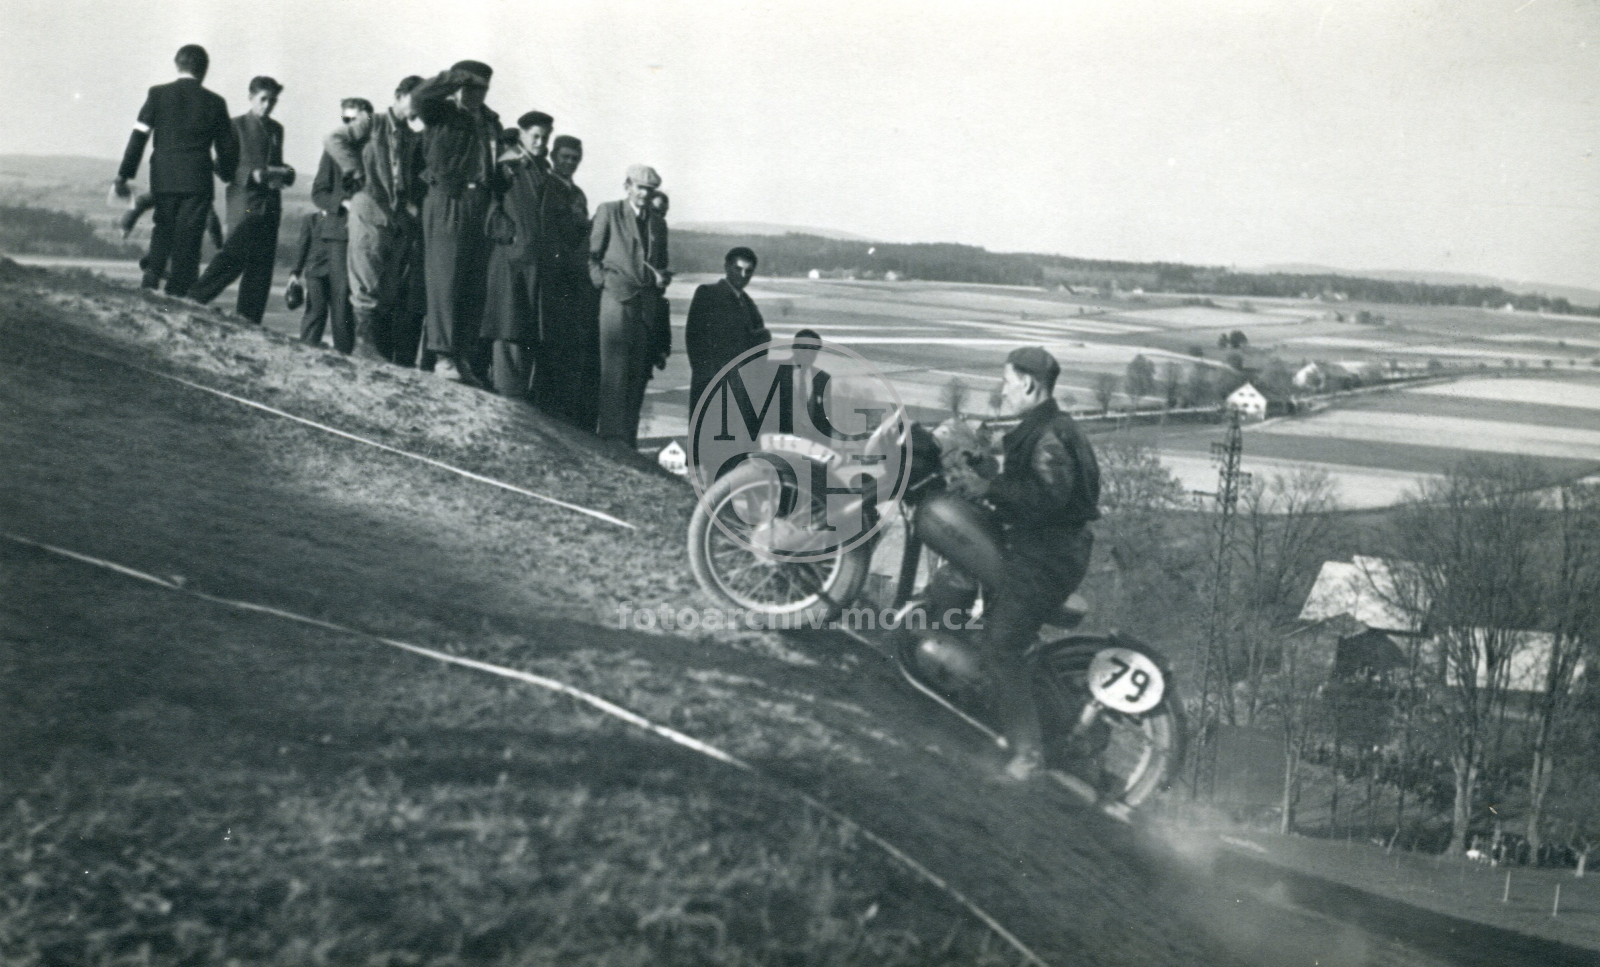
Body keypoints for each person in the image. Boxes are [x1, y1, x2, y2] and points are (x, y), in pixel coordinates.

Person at [915, 346, 1100, 783]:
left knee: (1002, 647)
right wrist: (986, 468)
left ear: (1030, 384)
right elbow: (1031, 483)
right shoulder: (1047, 427)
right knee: (960, 575)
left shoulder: (1052, 436)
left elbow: (1046, 498)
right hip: (1042, 548)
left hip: (1045, 557)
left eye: (1007, 382)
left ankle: (1027, 754)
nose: (1003, 390)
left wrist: (989, 489)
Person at [115, 44, 237, 297]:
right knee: (188, 239)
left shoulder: (157, 94)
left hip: (163, 175)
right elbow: (227, 149)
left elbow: (138, 136)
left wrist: (124, 174)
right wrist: (225, 173)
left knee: (163, 229)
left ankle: (149, 284)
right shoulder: (215, 103)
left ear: (177, 64)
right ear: (204, 70)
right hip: (197, 179)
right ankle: (177, 294)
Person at [411, 61, 502, 383]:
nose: (474, 93)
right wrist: (454, 78)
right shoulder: (441, 112)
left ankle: (461, 354)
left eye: (481, 87)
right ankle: (442, 355)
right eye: (469, 85)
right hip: (448, 197)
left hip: (480, 203)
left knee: (473, 284)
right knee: (445, 281)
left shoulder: (491, 122)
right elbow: (419, 96)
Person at [189, 76, 295, 323]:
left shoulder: (277, 129)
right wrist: (250, 175)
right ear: (251, 98)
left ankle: (249, 322)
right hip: (244, 204)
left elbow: (274, 165)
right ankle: (192, 299)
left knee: (261, 268)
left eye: (273, 101)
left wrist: (285, 173)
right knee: (233, 258)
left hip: (270, 207)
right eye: (263, 99)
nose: (268, 105)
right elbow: (221, 168)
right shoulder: (233, 126)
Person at [588, 165, 670, 447]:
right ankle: (611, 435)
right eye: (640, 187)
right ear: (627, 186)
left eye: (650, 189)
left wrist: (661, 278)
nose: (645, 194)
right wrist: (604, 283)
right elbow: (591, 255)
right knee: (614, 370)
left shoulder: (658, 223)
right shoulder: (609, 211)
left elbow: (661, 262)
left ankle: (628, 438)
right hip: (616, 300)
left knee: (636, 372)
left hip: (645, 305)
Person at [482, 111, 552, 398]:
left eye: (545, 137)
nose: (540, 142)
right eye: (535, 136)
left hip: (533, 261)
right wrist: (511, 236)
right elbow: (489, 206)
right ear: (521, 133)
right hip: (511, 260)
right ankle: (507, 395)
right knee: (508, 327)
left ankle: (517, 395)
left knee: (525, 329)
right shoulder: (506, 166)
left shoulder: (541, 168)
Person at [532, 134, 599, 428]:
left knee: (569, 342)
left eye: (574, 158)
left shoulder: (578, 194)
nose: (569, 163)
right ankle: (544, 403)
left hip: (575, 277)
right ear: (553, 157)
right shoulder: (545, 186)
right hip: (553, 272)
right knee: (549, 338)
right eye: (565, 157)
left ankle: (560, 406)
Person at [685, 246, 770, 419]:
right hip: (711, 382)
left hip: (739, 387)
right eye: (738, 269)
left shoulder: (749, 304)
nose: (743, 275)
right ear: (726, 267)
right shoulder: (707, 294)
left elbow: (760, 345)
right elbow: (694, 339)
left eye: (749, 271)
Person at [306, 104, 361, 353]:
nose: (350, 124)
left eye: (356, 119)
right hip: (340, 233)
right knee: (342, 298)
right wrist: (345, 203)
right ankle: (344, 354)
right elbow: (318, 192)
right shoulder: (332, 152)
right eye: (345, 119)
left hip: (369, 234)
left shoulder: (375, 150)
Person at [285, 209, 336, 346]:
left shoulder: (344, 219)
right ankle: (308, 344)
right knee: (316, 309)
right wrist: (295, 274)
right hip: (315, 272)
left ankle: (343, 350)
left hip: (339, 273)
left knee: (341, 315)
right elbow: (302, 246)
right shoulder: (311, 219)